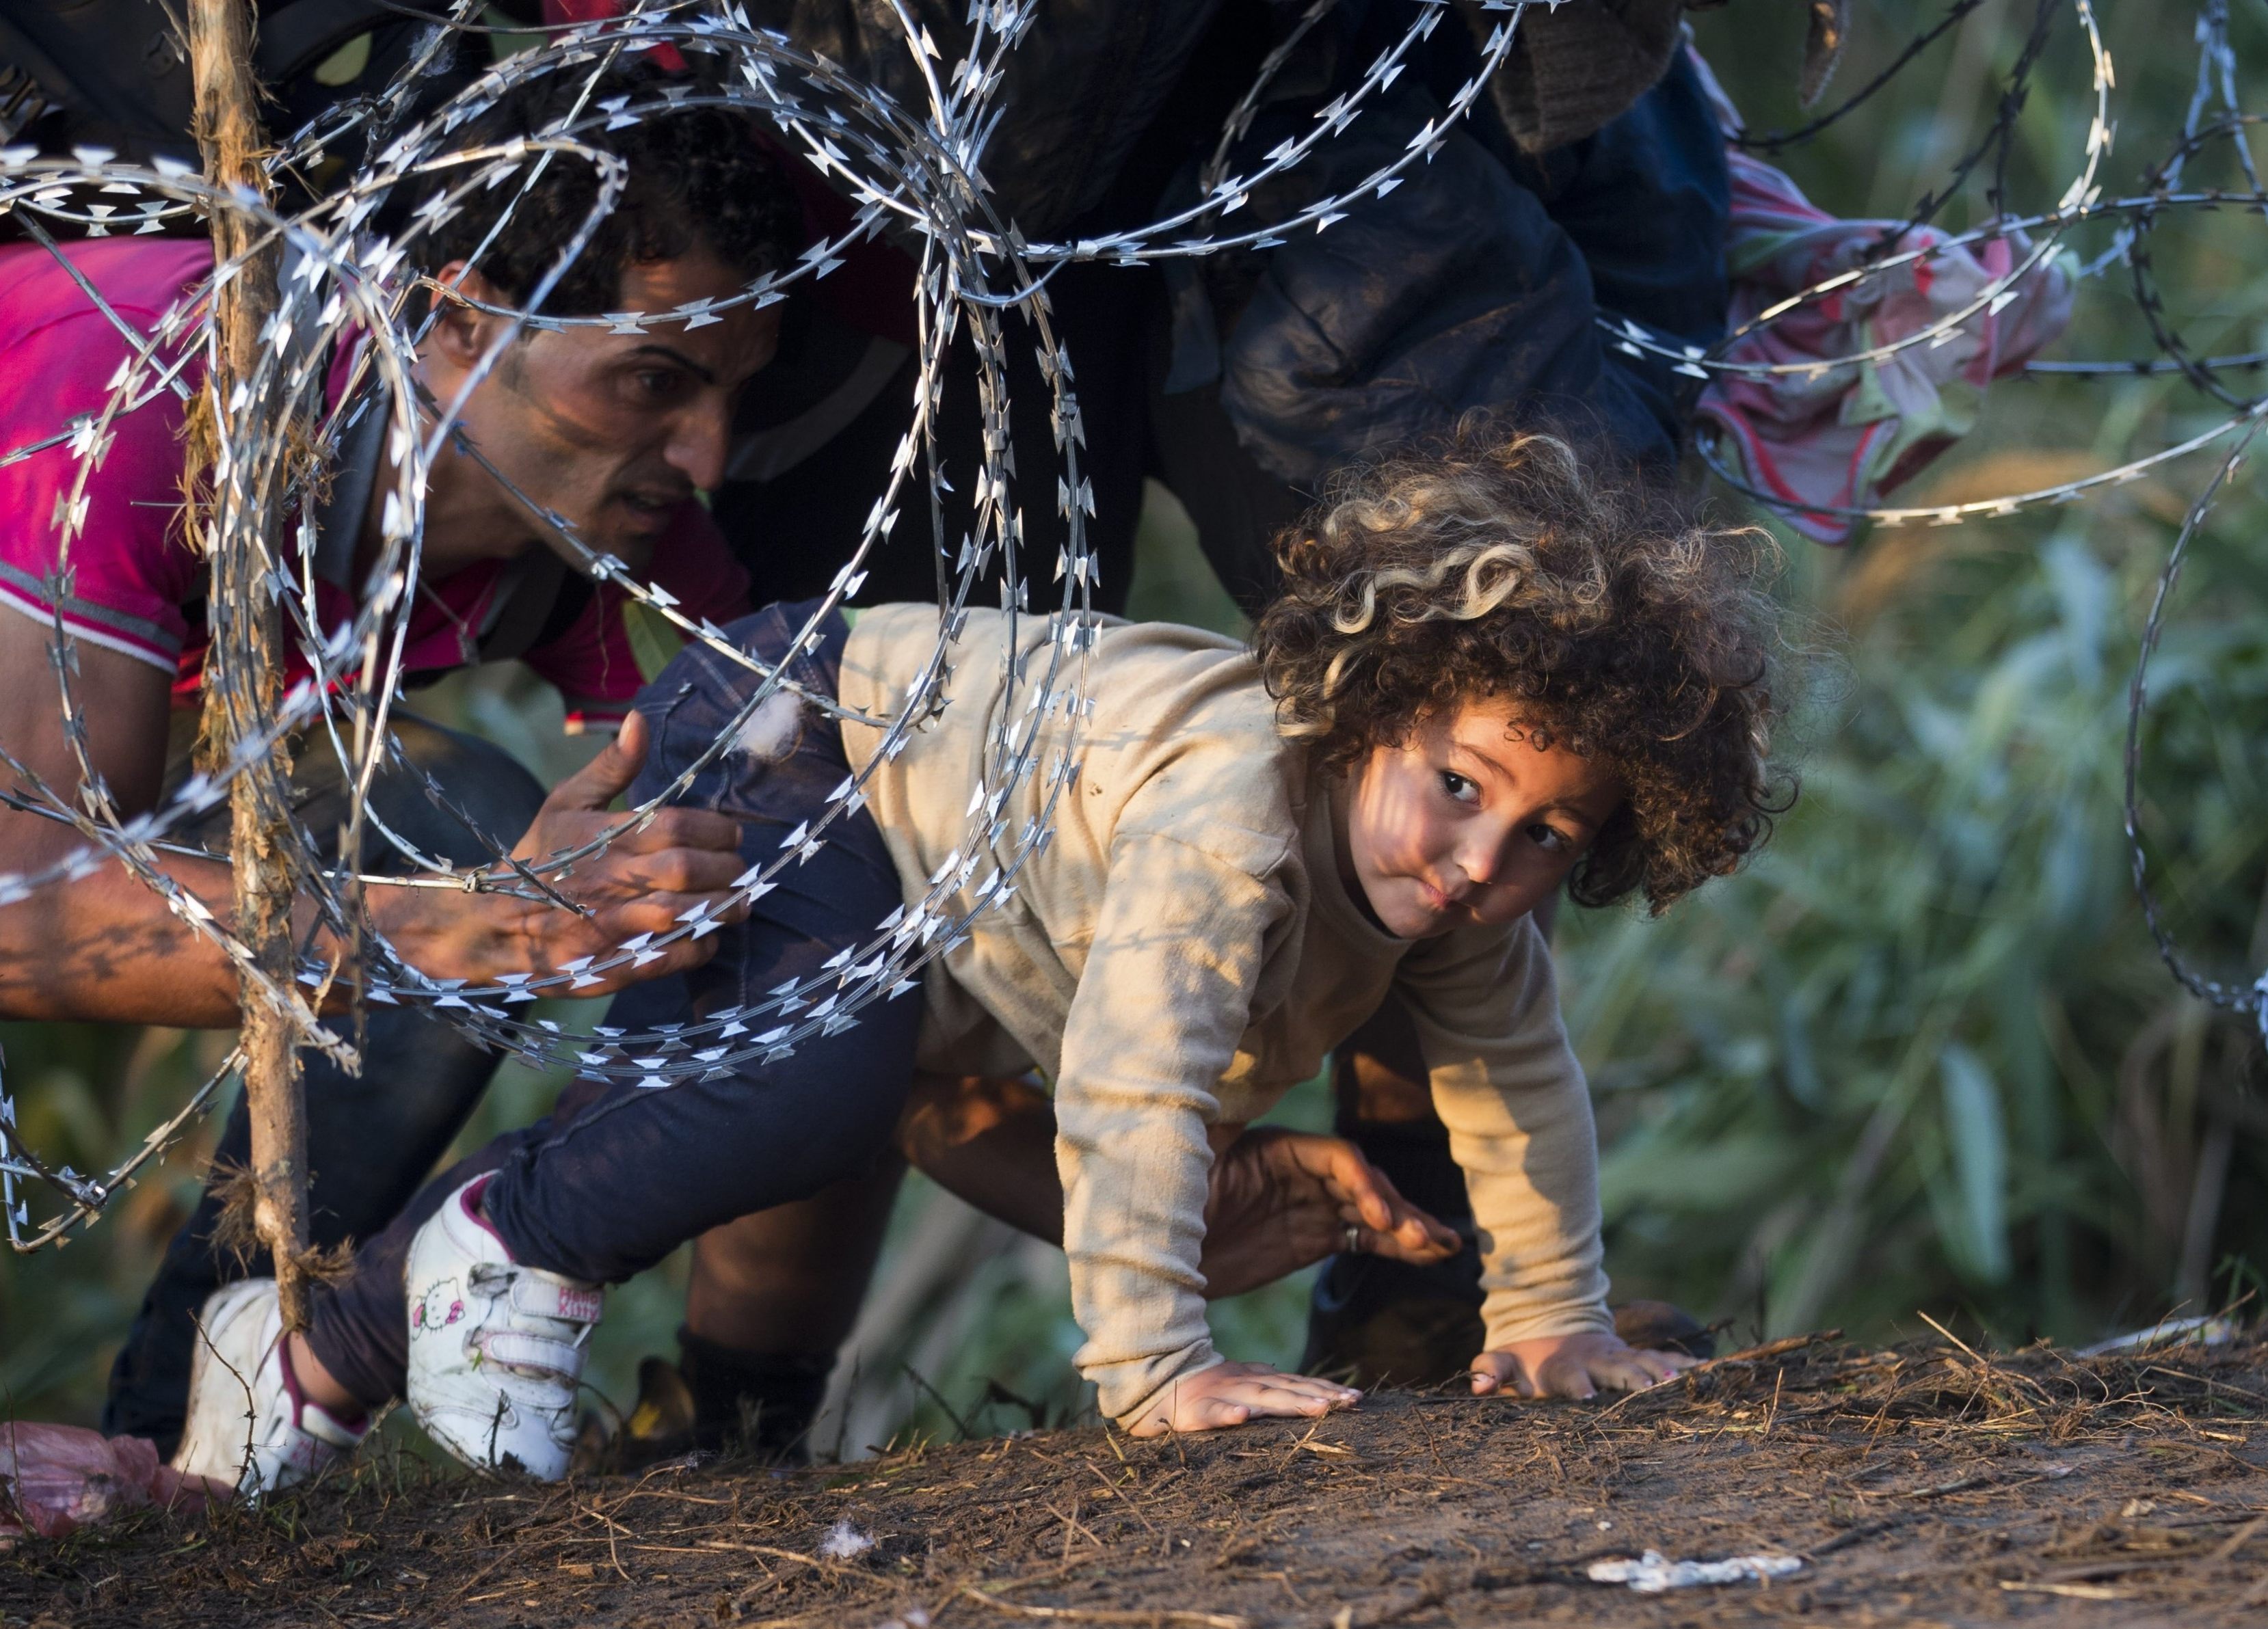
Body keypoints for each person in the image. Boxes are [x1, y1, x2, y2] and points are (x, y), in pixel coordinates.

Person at [169, 426, 1784, 1488]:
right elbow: (1134, 1074)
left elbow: (1520, 1083)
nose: (1481, 862)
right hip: (803, 736)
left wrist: (1557, 1311)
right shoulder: (1238, 806)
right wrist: (1155, 1367)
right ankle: (497, 1241)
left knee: (809, 1085)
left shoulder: (1447, 898)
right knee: (804, 1088)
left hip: (912, 870)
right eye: (1460, 786)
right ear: (1381, 699)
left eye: (1547, 838)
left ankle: (310, 1355)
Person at [0, 64, 798, 1455]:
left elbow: (806, 837)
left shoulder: (629, 537)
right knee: (454, 872)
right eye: (656, 379)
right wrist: (487, 928)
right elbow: (27, 903)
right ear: (460, 314)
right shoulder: (146, 378)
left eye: (732, 390)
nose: (708, 453)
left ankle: (196, 1437)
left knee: (450, 820)